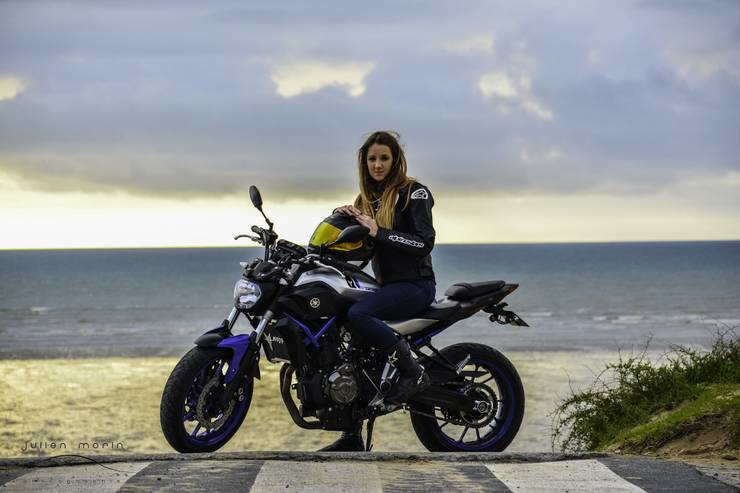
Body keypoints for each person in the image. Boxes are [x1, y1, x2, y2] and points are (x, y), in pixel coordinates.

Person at [319, 130, 437, 451]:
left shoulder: (414, 193)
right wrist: (340, 226)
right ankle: (351, 436)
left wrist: (378, 231)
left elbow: (423, 242)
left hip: (416, 286)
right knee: (347, 344)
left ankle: (412, 372)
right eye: (372, 159)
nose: (378, 164)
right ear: (364, 163)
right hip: (386, 287)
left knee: (358, 314)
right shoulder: (366, 201)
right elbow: (359, 251)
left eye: (384, 158)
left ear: (395, 160)